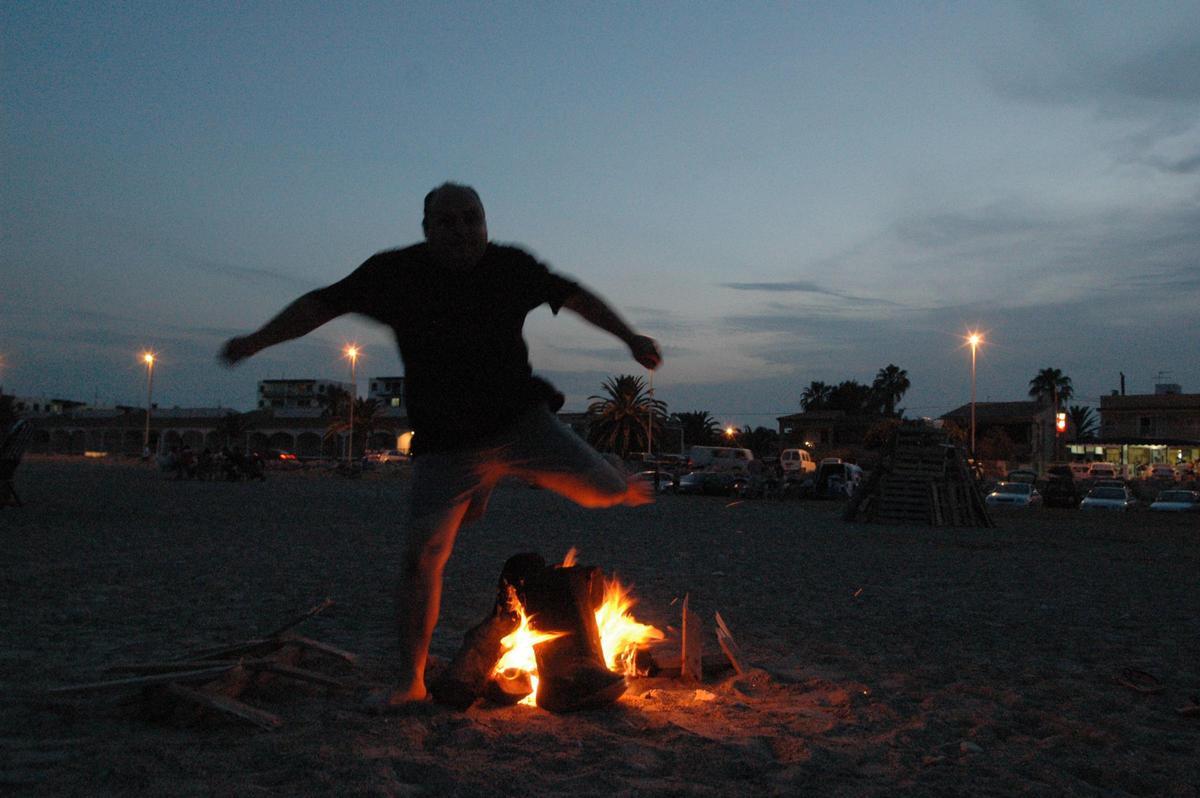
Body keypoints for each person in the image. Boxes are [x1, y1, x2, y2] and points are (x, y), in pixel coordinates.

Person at [219, 183, 662, 707]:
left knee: (606, 493)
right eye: (446, 221)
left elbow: (577, 297)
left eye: (471, 219)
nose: (460, 230)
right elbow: (320, 305)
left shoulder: (509, 267)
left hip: (520, 423)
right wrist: (256, 341)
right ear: (426, 228)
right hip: (447, 444)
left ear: (486, 223)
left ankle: (558, 476)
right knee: (422, 557)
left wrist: (630, 337)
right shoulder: (395, 274)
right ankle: (410, 682)